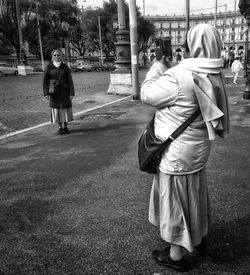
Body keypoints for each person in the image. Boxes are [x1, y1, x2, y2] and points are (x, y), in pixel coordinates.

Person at [141, 24, 229, 272]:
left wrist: (158, 66)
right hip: (198, 149)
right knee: (195, 195)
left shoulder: (178, 75)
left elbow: (147, 93)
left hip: (175, 152)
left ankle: (176, 254)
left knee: (175, 201)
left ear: (191, 45)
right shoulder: (214, 72)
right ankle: (198, 237)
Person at [43, 49, 75, 135]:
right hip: (54, 92)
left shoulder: (65, 67)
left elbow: (70, 81)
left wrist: (72, 93)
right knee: (57, 111)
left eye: (58, 55)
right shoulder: (49, 67)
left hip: (65, 92)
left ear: (61, 56)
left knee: (65, 110)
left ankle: (66, 126)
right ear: (52, 57)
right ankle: (60, 127)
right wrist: (46, 93)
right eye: (55, 55)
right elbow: (45, 81)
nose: (56, 56)